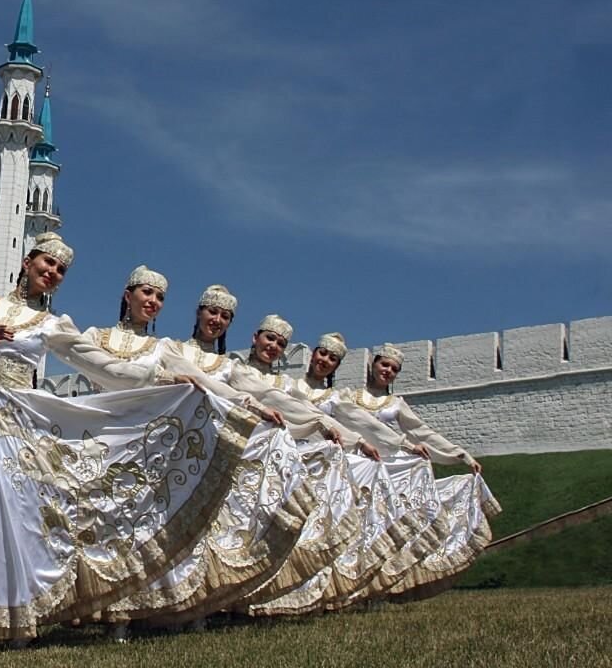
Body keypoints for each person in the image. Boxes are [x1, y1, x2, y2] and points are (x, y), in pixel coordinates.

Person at [0, 234, 274, 653]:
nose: (51, 273)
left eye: (60, 271)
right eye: (46, 264)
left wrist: (161, 379)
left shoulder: (51, 324)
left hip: (17, 424)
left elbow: (101, 364)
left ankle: (16, 618)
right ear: (26, 261)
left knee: (17, 519)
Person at [80, 268, 311, 635]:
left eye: (224, 317)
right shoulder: (136, 343)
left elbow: (233, 391)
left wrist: (289, 416)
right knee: (106, 524)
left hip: (173, 449)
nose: (216, 321)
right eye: (212, 312)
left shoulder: (178, 353)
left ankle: (177, 608)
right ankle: (100, 609)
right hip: (106, 436)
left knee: (164, 528)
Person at [251, 333, 411, 616]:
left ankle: (308, 595)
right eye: (322, 353)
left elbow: (356, 421)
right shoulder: (289, 385)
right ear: (313, 354)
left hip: (319, 467)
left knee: (311, 528)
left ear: (337, 367)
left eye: (332, 359)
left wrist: (387, 444)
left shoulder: (334, 397)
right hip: (285, 459)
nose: (325, 361)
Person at [345, 344, 501, 602]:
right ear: (372, 365)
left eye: (394, 369)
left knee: (384, 528)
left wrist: (459, 454)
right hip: (358, 466)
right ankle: (346, 589)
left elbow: (423, 432)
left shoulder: (396, 404)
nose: (388, 371)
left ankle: (379, 589)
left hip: (391, 470)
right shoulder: (349, 397)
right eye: (384, 365)